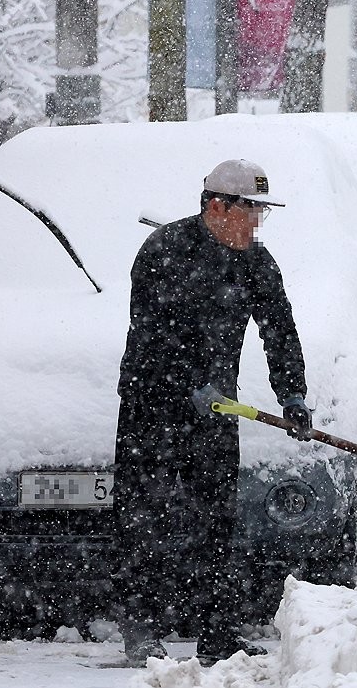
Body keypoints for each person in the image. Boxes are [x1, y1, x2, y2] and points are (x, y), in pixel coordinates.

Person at [113, 158, 312, 667]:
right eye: (251, 212)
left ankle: (216, 633)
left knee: (216, 522)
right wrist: (185, 387)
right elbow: (150, 334)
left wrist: (293, 396)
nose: (256, 224)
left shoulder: (256, 263)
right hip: (150, 405)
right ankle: (142, 631)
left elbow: (280, 332)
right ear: (217, 207)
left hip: (216, 410)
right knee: (146, 520)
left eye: (262, 215)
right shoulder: (163, 251)